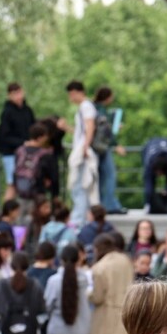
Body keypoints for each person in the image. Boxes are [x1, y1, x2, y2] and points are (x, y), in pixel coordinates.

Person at [88, 233, 134, 334]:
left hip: (106, 315)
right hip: (126, 312)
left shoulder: (99, 267)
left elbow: (97, 297)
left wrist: (87, 293)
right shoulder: (126, 260)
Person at [66, 80, 100, 226]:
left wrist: (85, 147)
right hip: (81, 147)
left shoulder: (86, 106)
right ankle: (82, 217)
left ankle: (79, 219)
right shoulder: (85, 106)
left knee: (80, 186)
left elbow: (89, 127)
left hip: (83, 151)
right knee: (81, 186)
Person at [0, 82, 37, 201]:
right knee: (12, 183)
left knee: (27, 182)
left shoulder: (27, 110)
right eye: (14, 94)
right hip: (11, 153)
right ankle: (6, 213)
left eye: (19, 92)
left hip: (26, 153)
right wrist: (22, 143)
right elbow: (4, 136)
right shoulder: (7, 113)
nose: (17, 96)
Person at [93, 86, 128, 214]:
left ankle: (103, 204)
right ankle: (110, 205)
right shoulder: (101, 112)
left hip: (96, 148)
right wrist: (115, 144)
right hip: (102, 148)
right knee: (109, 176)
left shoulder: (94, 109)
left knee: (101, 178)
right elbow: (106, 132)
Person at [14, 124, 58, 202]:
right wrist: (55, 194)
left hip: (20, 189)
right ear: (40, 138)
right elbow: (53, 176)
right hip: (38, 191)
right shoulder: (45, 154)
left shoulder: (20, 150)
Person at [141, 137, 167, 214]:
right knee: (150, 182)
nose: (159, 175)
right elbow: (148, 184)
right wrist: (149, 199)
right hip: (149, 148)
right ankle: (148, 204)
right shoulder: (149, 163)